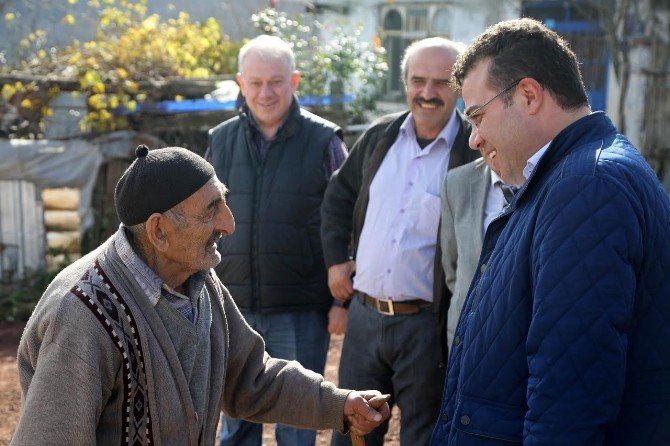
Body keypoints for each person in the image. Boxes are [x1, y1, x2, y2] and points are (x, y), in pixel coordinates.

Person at [11, 145, 390, 446]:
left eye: (223, 201)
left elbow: (251, 377)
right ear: (159, 231)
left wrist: (337, 405)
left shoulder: (198, 279)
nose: (229, 223)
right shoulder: (82, 314)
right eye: (211, 211)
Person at [431, 18, 670, 445]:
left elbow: (571, 390)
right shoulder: (565, 178)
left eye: (478, 116)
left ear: (528, 95)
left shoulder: (588, 185)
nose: (474, 139)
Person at [321, 37, 478, 446]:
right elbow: (337, 199)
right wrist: (337, 261)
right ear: (405, 82)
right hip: (365, 320)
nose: (428, 93)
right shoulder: (378, 138)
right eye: (418, 80)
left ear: (460, 86)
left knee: (423, 434)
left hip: (426, 326)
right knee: (352, 430)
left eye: (442, 82)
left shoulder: (473, 152)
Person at [206, 35, 348, 446]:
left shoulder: (326, 142)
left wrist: (341, 301)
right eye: (255, 82)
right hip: (233, 306)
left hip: (301, 310)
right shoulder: (220, 140)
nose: (265, 92)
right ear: (240, 82)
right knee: (235, 420)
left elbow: (346, 221)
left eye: (276, 81)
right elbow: (203, 220)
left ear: (295, 81)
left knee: (298, 421)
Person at [437, 149, 505, 357]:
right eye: (473, 124)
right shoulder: (457, 182)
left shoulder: (553, 176)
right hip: (466, 341)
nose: (474, 140)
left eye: (482, 119)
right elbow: (452, 268)